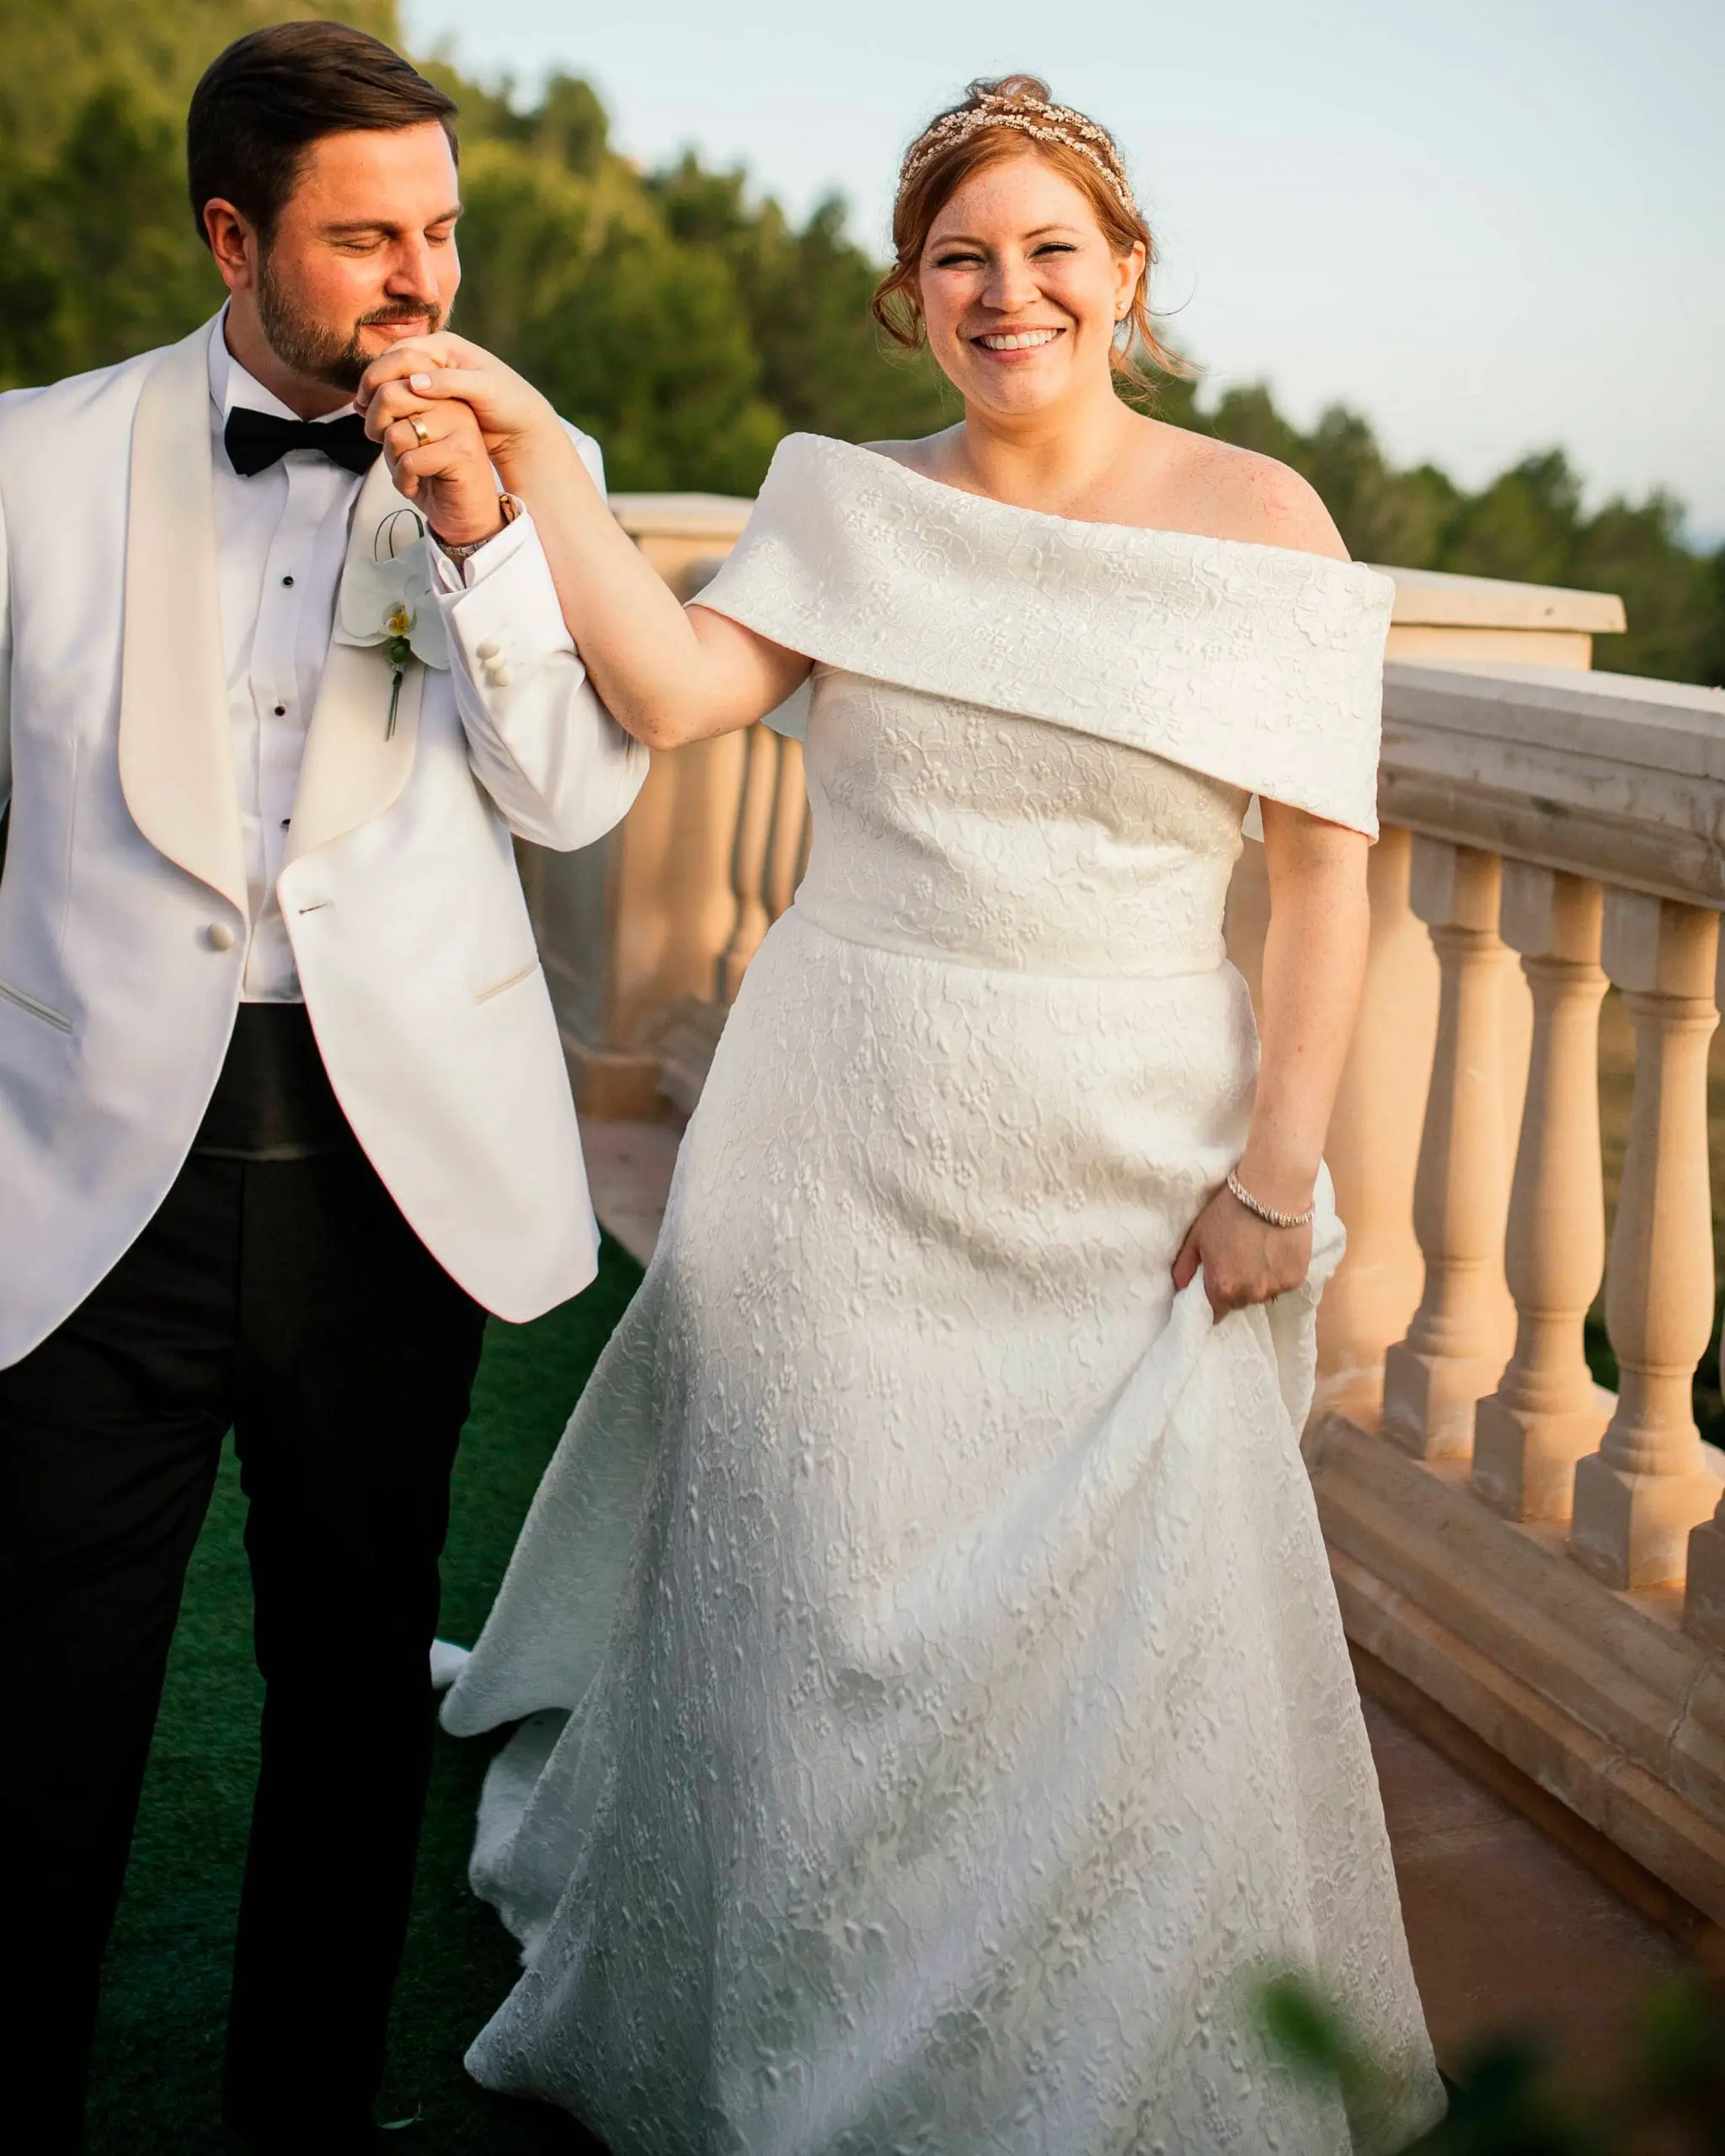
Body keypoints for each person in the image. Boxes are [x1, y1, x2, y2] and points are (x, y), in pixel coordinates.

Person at [361, 73, 1446, 2153]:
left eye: (1051, 250)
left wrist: (1273, 1182)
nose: (1006, 290)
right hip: (834, 1140)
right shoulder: (845, 503)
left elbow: (1324, 881)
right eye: (962, 256)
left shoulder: (1264, 524)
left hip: (1132, 1161)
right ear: (909, 297)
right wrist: (533, 461)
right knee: (811, 1589)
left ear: (1126, 278)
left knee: (1104, 1652)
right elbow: (674, 696)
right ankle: (755, 2018)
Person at [0, 22, 647, 2152]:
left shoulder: (517, 470)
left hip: (391, 1183)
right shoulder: (32, 463)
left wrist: (480, 538)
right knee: (48, 1710)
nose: (419, 279)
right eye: (366, 234)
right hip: (89, 1172)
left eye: (440, 230)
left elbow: (567, 794)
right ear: (231, 234)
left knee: (352, 1694)